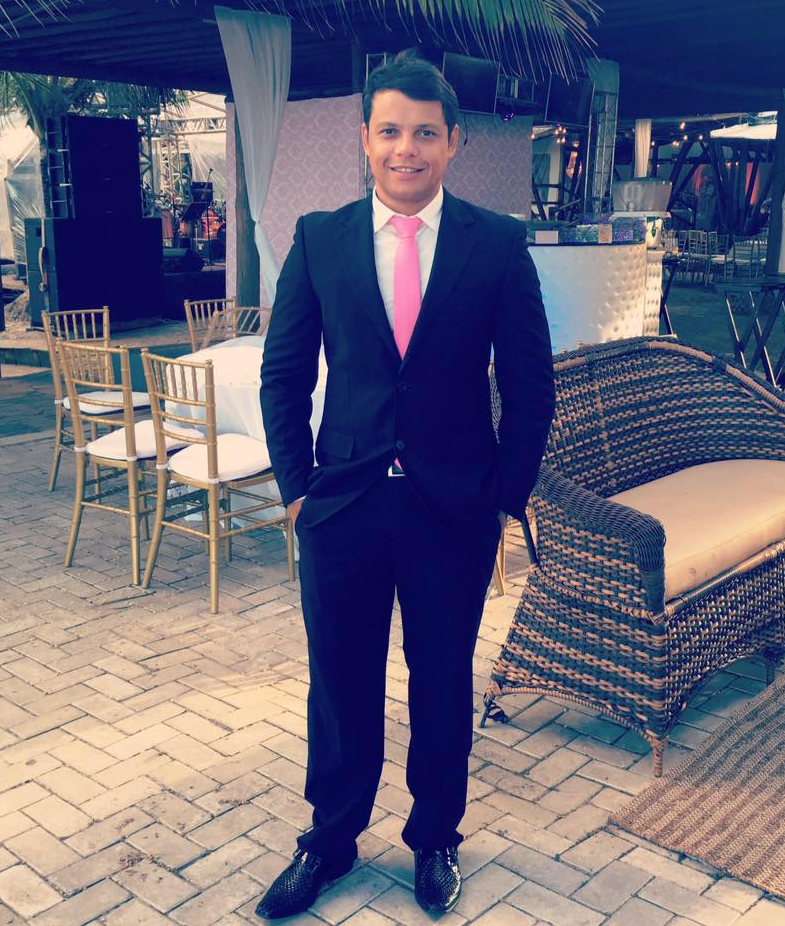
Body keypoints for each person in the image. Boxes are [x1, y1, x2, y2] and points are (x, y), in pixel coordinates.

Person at [257, 51, 554, 919]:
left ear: (454, 142)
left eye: (425, 133)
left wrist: (502, 498)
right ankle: (331, 840)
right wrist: (297, 490)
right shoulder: (319, 239)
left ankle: (434, 839)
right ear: (365, 139)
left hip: (451, 509)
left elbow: (531, 385)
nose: (406, 149)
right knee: (339, 683)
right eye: (390, 131)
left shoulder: (496, 245)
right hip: (342, 506)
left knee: (442, 681)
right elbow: (283, 376)